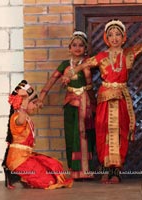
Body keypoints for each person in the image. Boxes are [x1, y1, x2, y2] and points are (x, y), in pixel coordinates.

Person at [63, 19, 142, 184]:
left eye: (118, 34)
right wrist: (70, 73)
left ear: (123, 37)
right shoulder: (102, 56)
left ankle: (116, 170)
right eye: (111, 35)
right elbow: (85, 63)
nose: (114, 38)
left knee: (119, 132)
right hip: (105, 99)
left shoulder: (128, 53)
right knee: (102, 131)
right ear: (106, 38)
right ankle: (105, 168)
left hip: (120, 98)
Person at [37, 31, 96, 180]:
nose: (77, 48)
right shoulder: (64, 65)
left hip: (87, 104)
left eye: (81, 45)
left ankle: (86, 170)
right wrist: (41, 98)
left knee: (85, 135)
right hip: (70, 104)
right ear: (69, 48)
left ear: (85, 48)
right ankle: (74, 171)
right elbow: (52, 80)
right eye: (74, 45)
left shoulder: (90, 62)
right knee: (71, 136)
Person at [2, 80, 73, 189]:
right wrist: (25, 100)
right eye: (33, 103)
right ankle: (22, 176)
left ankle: (24, 177)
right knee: (49, 181)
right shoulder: (17, 117)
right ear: (22, 102)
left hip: (26, 157)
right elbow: (20, 121)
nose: (35, 106)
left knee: (54, 165)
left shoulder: (26, 117)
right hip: (18, 160)